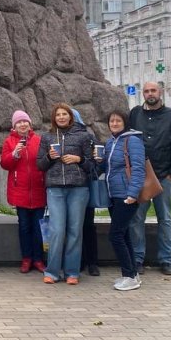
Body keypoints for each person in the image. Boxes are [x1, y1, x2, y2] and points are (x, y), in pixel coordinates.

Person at [129, 81, 171, 276]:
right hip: (141, 176)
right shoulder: (135, 114)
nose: (150, 94)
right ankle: (137, 259)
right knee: (136, 219)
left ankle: (166, 260)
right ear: (142, 94)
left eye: (153, 90)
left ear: (160, 92)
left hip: (163, 176)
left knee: (165, 219)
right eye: (146, 91)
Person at [36, 102, 93, 285]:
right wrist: (49, 157)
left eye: (64, 114)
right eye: (58, 114)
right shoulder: (47, 137)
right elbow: (40, 165)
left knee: (75, 231)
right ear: (54, 118)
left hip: (78, 188)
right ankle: (52, 271)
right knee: (57, 230)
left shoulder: (84, 136)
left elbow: (92, 165)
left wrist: (79, 159)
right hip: (55, 188)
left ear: (71, 116)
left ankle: (72, 272)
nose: (61, 117)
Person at [95, 110, 145, 291]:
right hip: (114, 194)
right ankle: (132, 274)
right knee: (123, 235)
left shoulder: (133, 141)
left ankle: (128, 275)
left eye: (118, 121)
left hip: (126, 196)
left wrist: (133, 194)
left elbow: (139, 169)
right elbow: (106, 168)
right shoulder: (111, 142)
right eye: (111, 121)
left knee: (115, 235)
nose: (114, 123)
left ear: (125, 122)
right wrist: (99, 160)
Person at [0, 110, 47, 275]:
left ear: (30, 124)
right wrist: (15, 153)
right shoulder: (9, 141)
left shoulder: (39, 140)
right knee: (24, 227)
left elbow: (45, 162)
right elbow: (5, 164)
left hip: (39, 191)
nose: (22, 124)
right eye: (19, 122)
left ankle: (39, 259)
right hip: (20, 191)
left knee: (38, 228)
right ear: (14, 126)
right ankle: (26, 258)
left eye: (25, 121)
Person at [73, 109, 101, 278]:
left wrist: (86, 164)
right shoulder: (56, 135)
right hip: (66, 187)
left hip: (84, 185)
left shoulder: (88, 137)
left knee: (87, 225)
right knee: (75, 227)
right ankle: (81, 261)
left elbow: (95, 163)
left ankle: (91, 261)